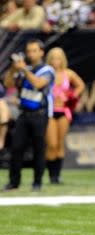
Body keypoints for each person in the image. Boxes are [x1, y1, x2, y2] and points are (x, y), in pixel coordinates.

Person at [3, 39, 55, 192]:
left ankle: (37, 182)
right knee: (16, 148)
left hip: (40, 114)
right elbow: (8, 84)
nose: (30, 54)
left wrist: (25, 70)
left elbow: (38, 84)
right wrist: (13, 69)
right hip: (24, 113)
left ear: (41, 52)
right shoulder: (23, 68)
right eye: (29, 51)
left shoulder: (47, 70)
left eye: (34, 50)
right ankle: (14, 182)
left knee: (39, 149)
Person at [45, 47, 85, 184]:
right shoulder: (46, 73)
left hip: (63, 111)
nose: (56, 60)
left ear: (63, 59)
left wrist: (72, 95)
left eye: (58, 57)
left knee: (60, 143)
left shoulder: (68, 74)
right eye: (53, 57)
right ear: (49, 59)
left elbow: (80, 85)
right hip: (49, 112)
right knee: (52, 143)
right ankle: (51, 175)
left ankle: (57, 176)